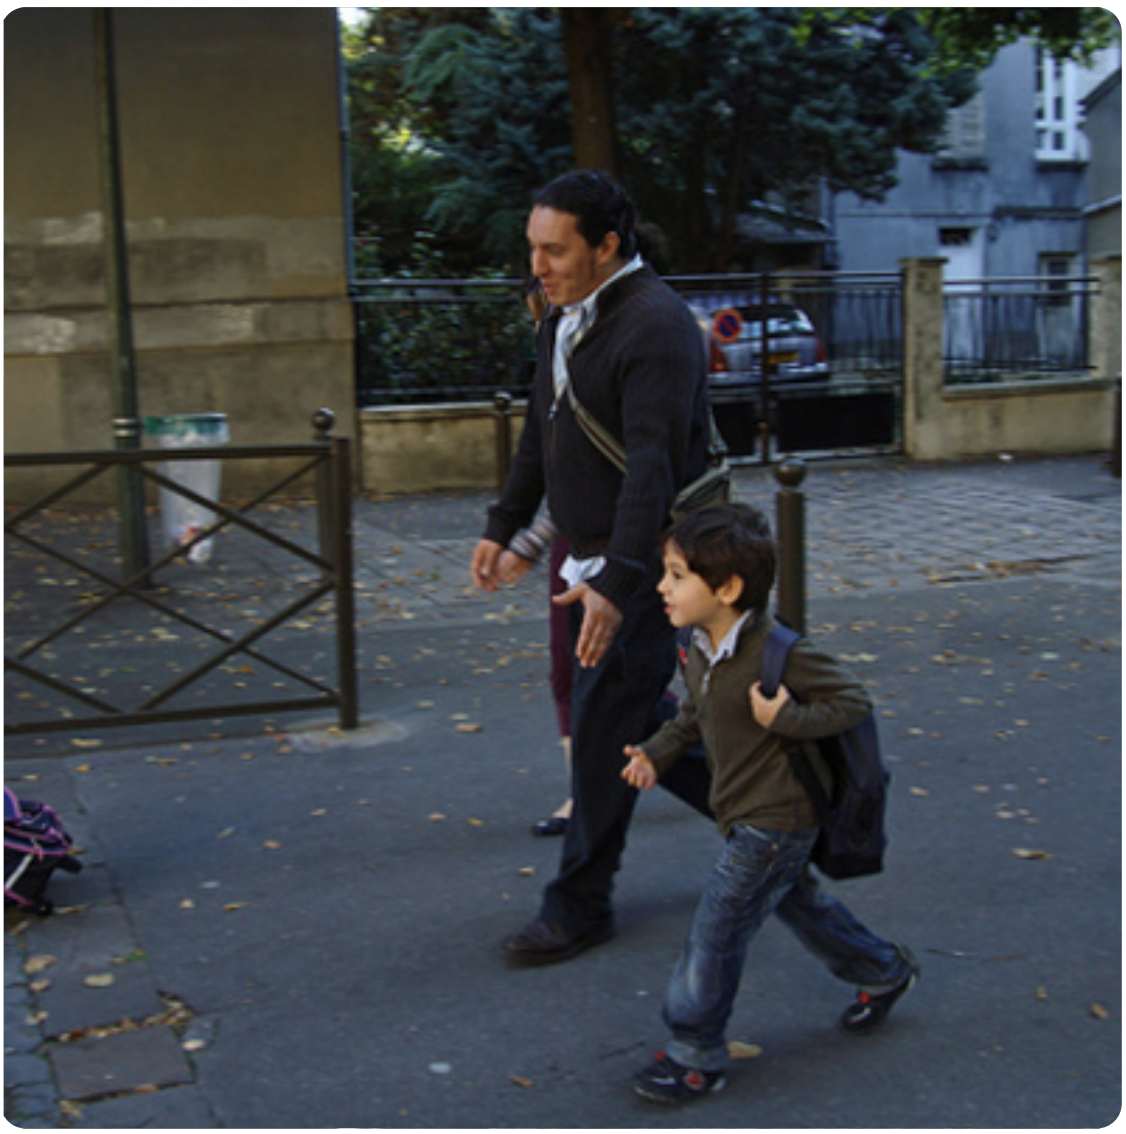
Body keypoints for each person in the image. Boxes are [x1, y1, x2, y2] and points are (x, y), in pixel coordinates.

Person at [471, 169, 713, 966]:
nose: (536, 265)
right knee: (633, 717)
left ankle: (578, 904)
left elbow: (651, 465)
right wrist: (506, 526)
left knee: (612, 717)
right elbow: (544, 434)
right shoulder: (566, 318)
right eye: (532, 247)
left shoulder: (657, 325)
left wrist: (619, 580)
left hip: (652, 560)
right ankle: (778, 813)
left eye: (555, 249)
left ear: (607, 246)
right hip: (594, 556)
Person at [621, 502, 918, 1105]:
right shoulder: (699, 642)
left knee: (716, 930)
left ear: (727, 588)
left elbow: (853, 701)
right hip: (742, 814)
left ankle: (694, 1051)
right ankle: (883, 970)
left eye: (677, 574)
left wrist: (787, 717)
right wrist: (655, 752)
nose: (662, 586)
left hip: (777, 821)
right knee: (798, 904)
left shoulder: (777, 651)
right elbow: (694, 714)